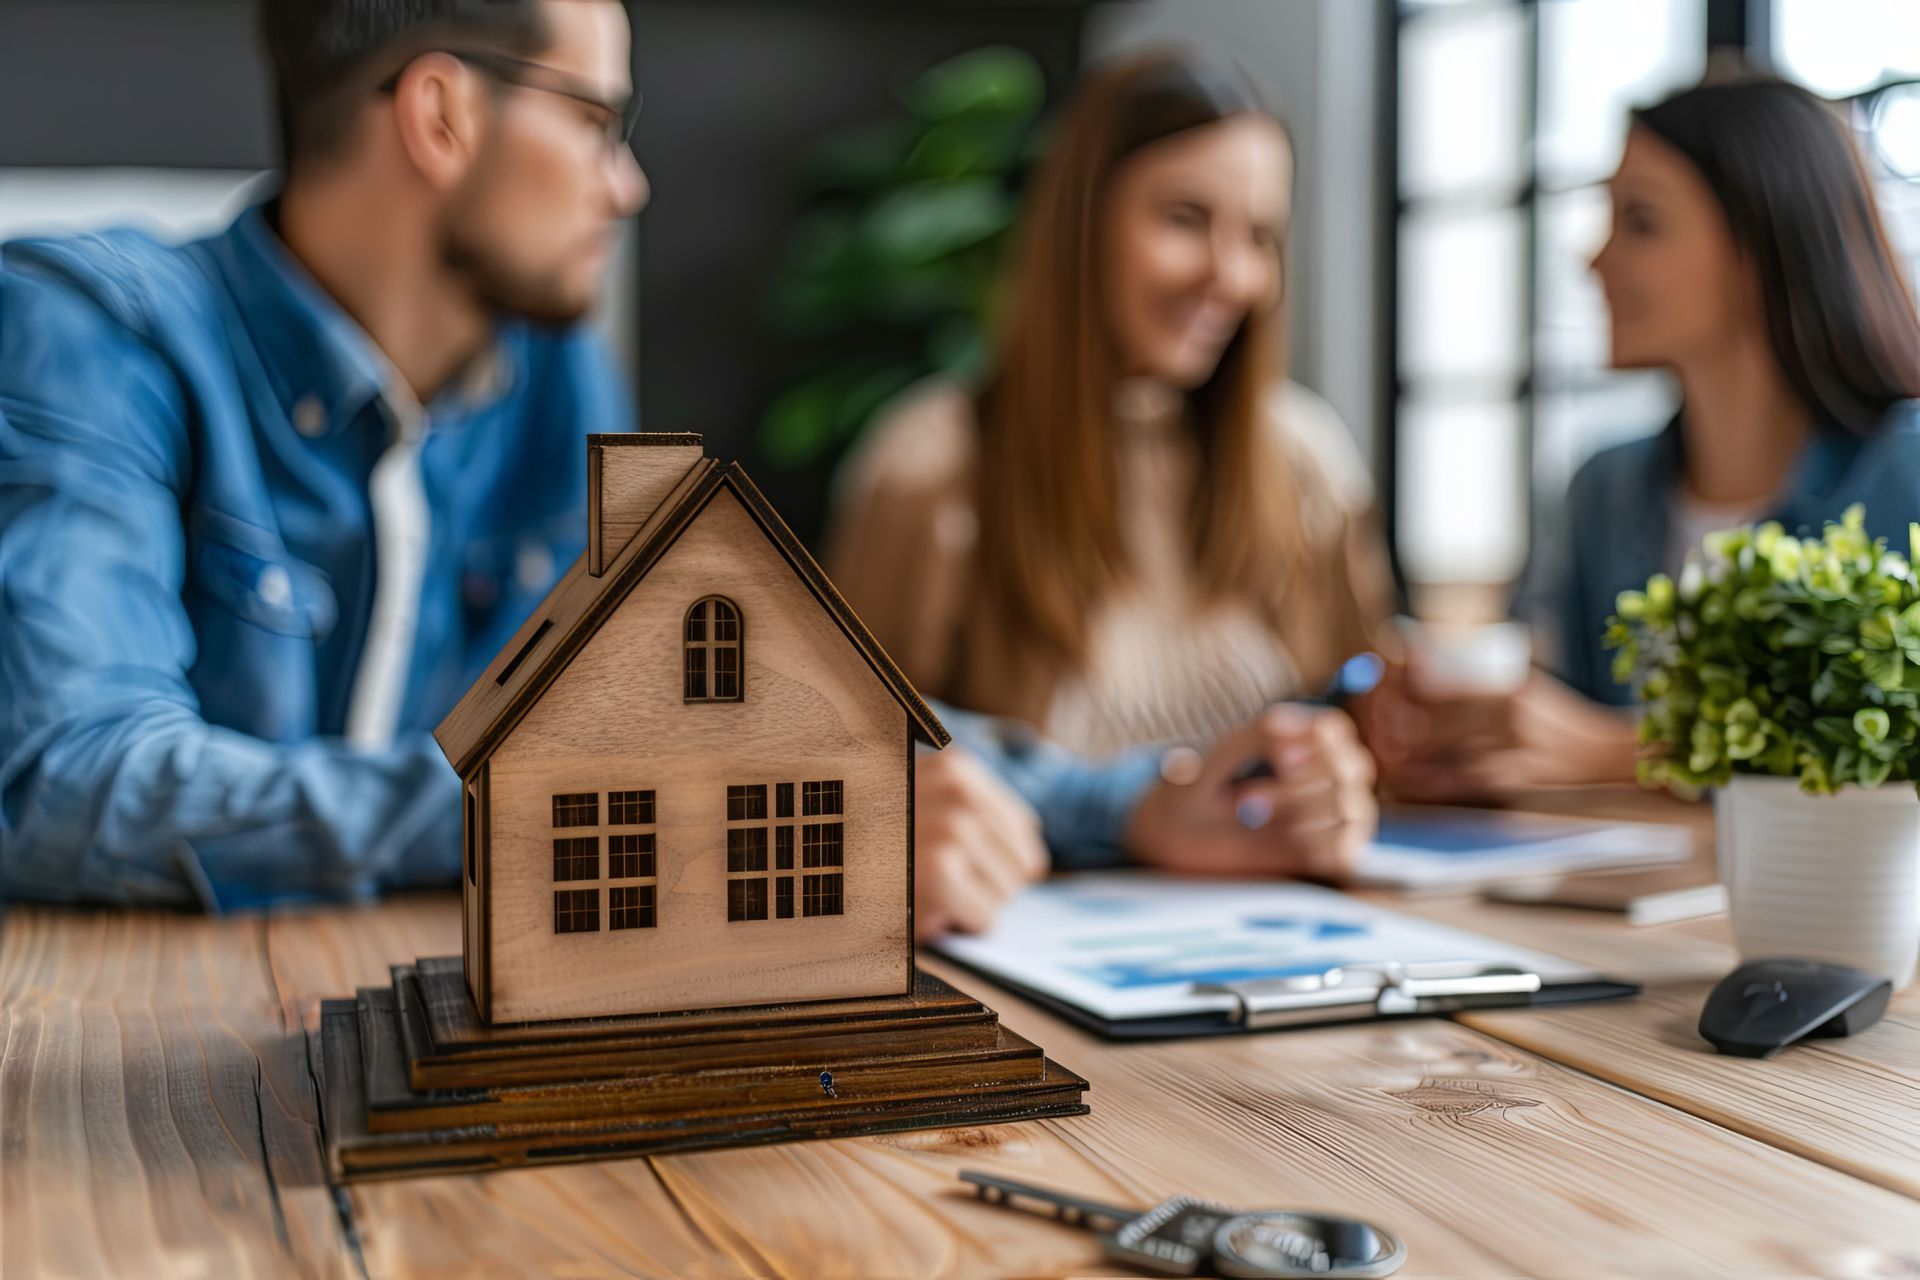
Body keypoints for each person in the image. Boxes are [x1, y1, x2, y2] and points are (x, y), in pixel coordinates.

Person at [0, 1, 1373, 926]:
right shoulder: (89, 331)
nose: (628, 183)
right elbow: (73, 785)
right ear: (439, 115)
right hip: (139, 1082)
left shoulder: (552, 376)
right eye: (597, 123)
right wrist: (627, 811)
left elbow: (769, 719)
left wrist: (1147, 800)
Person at [826, 52, 1396, 760]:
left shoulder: (1304, 460)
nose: (1230, 276)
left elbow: (1371, 727)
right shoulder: (931, 467)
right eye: (1185, 219)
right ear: (1081, 224)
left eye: (1258, 236)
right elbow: (854, 766)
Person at [1368, 73, 1920, 803]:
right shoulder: (1603, 487)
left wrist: (1622, 750)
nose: (1595, 260)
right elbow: (1549, 714)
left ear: (1763, 239)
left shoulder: (1905, 472)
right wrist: (1456, 734)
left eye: (1642, 221)